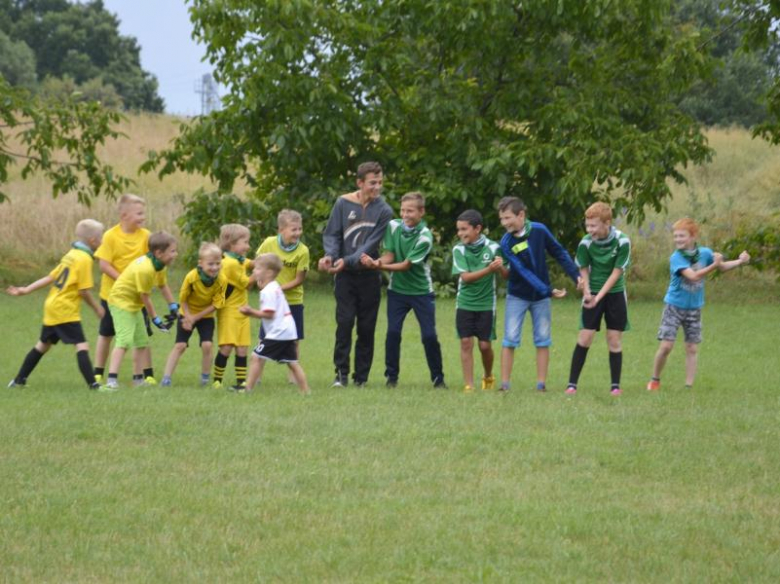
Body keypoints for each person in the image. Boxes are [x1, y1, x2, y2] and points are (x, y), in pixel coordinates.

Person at [647, 218, 750, 391]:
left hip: (694, 308)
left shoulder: (705, 253)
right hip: (674, 306)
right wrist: (714, 265)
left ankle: (688, 386)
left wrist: (740, 261)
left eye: (682, 236)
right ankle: (655, 380)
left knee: (692, 347)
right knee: (666, 346)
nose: (678, 240)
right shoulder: (676, 257)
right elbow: (693, 276)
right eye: (676, 236)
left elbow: (722, 267)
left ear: (693, 236)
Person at [7, 219, 106, 390]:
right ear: (93, 241)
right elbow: (83, 291)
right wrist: (97, 308)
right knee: (81, 345)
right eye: (101, 237)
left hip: (52, 305)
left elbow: (50, 277)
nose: (103, 240)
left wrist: (26, 289)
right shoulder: (84, 259)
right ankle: (94, 385)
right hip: (65, 309)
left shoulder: (71, 254)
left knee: (43, 345)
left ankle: (18, 381)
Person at [319, 161, 393, 387]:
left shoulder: (384, 210)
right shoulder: (343, 203)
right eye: (372, 183)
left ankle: (361, 378)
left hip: (369, 276)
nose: (377, 187)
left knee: (366, 327)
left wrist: (347, 260)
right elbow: (332, 234)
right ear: (359, 183)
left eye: (380, 182)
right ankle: (340, 374)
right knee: (344, 322)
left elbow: (371, 245)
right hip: (344, 277)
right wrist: (330, 256)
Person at [361, 192, 446, 388]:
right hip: (397, 291)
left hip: (421, 292)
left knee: (429, 336)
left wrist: (377, 266)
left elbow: (406, 265)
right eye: (403, 210)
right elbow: (390, 255)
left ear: (421, 212)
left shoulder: (425, 237)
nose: (405, 214)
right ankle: (391, 378)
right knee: (393, 332)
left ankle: (438, 378)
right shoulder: (393, 226)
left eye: (410, 210)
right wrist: (377, 261)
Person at [497, 197, 582, 393]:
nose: (504, 223)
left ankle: (541, 385)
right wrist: (548, 290)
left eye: (507, 218)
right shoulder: (506, 241)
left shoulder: (539, 230)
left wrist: (576, 276)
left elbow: (559, 253)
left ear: (521, 215)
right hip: (517, 295)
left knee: (543, 339)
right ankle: (505, 385)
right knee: (510, 338)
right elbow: (522, 271)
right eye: (501, 219)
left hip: (541, 298)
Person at [93, 194, 177, 386]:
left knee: (141, 336)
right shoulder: (111, 236)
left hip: (137, 293)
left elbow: (153, 271)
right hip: (114, 294)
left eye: (143, 213)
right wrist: (127, 281)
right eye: (139, 213)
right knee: (107, 333)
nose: (143, 217)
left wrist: (172, 304)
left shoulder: (146, 236)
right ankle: (99, 372)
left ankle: (142, 375)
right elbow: (104, 266)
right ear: (124, 215)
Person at [565, 202, 631, 396]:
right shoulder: (586, 243)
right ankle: (571, 385)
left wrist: (598, 296)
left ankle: (615, 386)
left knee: (614, 339)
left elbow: (616, 273)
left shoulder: (622, 241)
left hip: (615, 293)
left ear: (607, 223)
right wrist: (587, 292)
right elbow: (583, 269)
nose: (589, 230)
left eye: (593, 225)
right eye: (588, 225)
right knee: (585, 337)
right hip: (592, 292)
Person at [103, 232, 178, 390]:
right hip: (121, 302)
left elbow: (163, 285)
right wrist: (155, 319)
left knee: (142, 341)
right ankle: (111, 381)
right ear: (159, 253)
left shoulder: (159, 265)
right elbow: (145, 297)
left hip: (134, 303)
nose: (175, 254)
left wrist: (173, 306)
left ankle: (137, 379)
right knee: (124, 341)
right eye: (172, 251)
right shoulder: (145, 269)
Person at [451, 209, 508, 393]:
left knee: (485, 345)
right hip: (465, 303)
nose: (460, 234)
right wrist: (489, 269)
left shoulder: (493, 248)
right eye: (458, 230)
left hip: (486, 304)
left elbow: (506, 275)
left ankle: (488, 374)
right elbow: (466, 277)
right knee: (466, 342)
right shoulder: (458, 249)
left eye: (464, 229)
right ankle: (469, 385)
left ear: (478, 229)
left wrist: (500, 268)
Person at [239, 254, 310, 394]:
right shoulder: (274, 285)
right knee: (292, 363)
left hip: (278, 333)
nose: (254, 271)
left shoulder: (268, 291)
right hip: (288, 331)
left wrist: (250, 312)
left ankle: (247, 389)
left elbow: (269, 314)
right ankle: (305, 391)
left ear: (269, 272)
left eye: (258, 269)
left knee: (256, 357)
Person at [161, 242, 227, 387]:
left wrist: (195, 318)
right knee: (180, 346)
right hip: (187, 313)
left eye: (218, 263)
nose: (215, 267)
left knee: (207, 345)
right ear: (201, 263)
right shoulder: (191, 277)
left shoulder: (222, 279)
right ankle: (166, 378)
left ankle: (204, 379)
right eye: (210, 264)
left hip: (205, 316)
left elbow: (216, 304)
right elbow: (183, 299)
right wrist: (188, 317)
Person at [256, 209, 309, 381]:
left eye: (299, 229)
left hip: (292, 301)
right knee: (264, 337)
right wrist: (260, 282)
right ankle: (257, 375)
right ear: (281, 230)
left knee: (293, 340)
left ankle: (293, 378)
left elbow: (299, 279)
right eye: (293, 229)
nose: (298, 233)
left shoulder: (303, 251)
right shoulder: (269, 243)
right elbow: (258, 263)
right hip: (272, 302)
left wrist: (278, 289)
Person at [213, 224, 257, 390]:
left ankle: (241, 381)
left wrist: (260, 261)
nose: (248, 246)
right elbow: (245, 283)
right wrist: (259, 273)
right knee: (227, 346)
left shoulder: (237, 259)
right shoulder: (229, 263)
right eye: (244, 242)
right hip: (230, 311)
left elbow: (248, 262)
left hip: (242, 310)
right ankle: (217, 379)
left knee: (242, 346)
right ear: (231, 244)